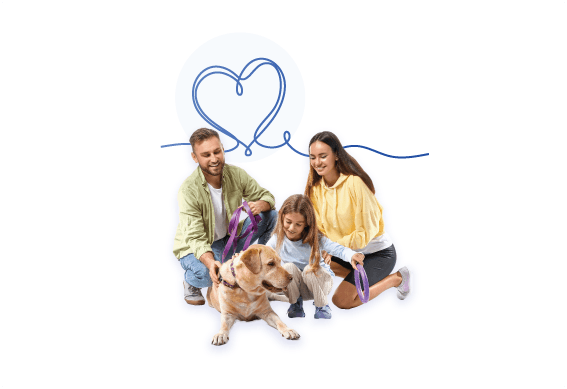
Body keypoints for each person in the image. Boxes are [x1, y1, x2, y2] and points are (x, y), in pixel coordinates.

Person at [305, 131, 411, 309]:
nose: (317, 162)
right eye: (313, 157)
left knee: (342, 301)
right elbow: (319, 230)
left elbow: (363, 236)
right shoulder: (315, 190)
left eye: (323, 156)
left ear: (336, 155)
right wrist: (324, 250)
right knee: (311, 267)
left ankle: (397, 278)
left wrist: (333, 248)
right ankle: (362, 277)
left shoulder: (355, 184)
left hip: (377, 254)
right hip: (348, 254)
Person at [173, 128, 277, 305]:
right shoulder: (188, 190)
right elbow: (195, 238)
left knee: (270, 215)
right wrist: (210, 261)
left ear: (222, 148)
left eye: (217, 151)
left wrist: (261, 204)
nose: (214, 159)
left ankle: (261, 263)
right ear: (194, 157)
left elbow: (267, 196)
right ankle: (191, 281)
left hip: (228, 238)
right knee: (211, 274)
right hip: (195, 247)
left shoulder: (236, 174)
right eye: (206, 155)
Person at [266, 194, 364, 319]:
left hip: (320, 285)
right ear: (281, 216)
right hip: (296, 288)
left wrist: (351, 255)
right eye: (288, 222)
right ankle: (295, 304)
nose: (291, 228)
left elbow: (338, 249)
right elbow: (262, 253)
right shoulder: (277, 239)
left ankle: (322, 306)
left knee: (309, 269)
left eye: (298, 224)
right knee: (288, 267)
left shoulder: (317, 239)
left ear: (307, 223)